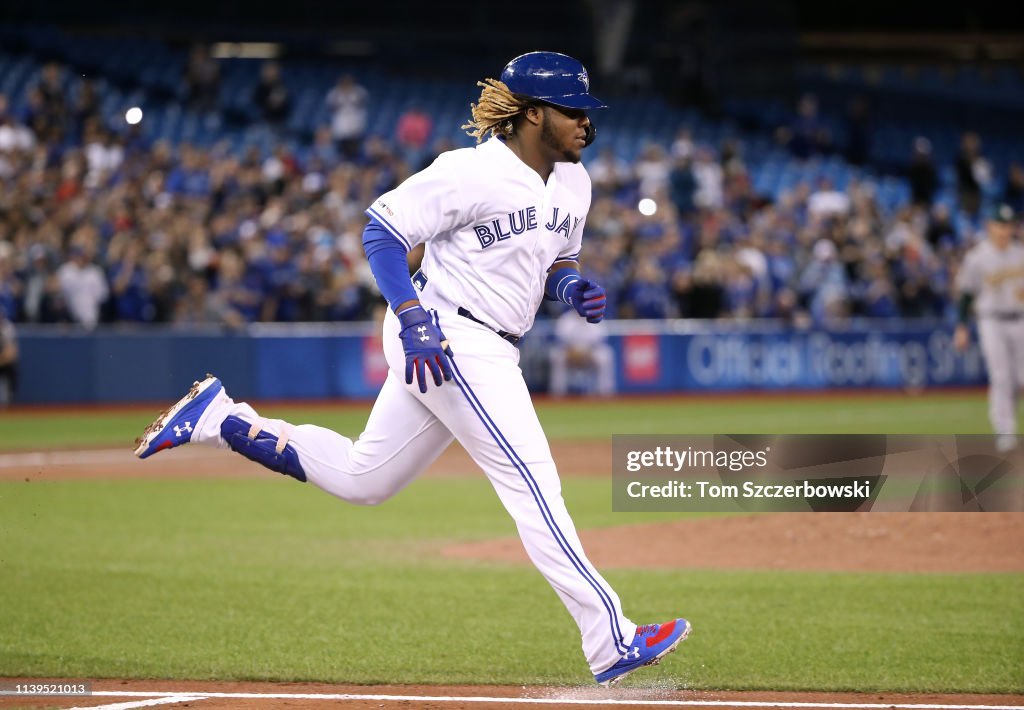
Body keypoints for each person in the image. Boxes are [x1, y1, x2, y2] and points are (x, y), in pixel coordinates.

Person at [133, 51, 689, 687]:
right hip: (448, 334)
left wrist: (570, 288)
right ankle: (611, 641)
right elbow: (381, 232)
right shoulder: (469, 173)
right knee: (534, 484)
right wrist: (412, 316)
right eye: (573, 112)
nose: (586, 125)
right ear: (533, 114)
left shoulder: (574, 182)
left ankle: (222, 420)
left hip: (488, 340)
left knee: (365, 477)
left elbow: (556, 259)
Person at [954, 203, 1024, 453]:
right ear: (989, 226)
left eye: (1009, 225)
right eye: (1001, 225)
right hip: (991, 320)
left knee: (1020, 378)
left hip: (1020, 319)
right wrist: (962, 326)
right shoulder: (977, 257)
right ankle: (1005, 431)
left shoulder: (1020, 253)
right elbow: (965, 294)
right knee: (1001, 376)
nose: (1006, 230)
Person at [0, 308, 16, 407]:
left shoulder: (8, 327)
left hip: (4, 362)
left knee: (12, 370)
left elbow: (11, 353)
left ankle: (9, 398)